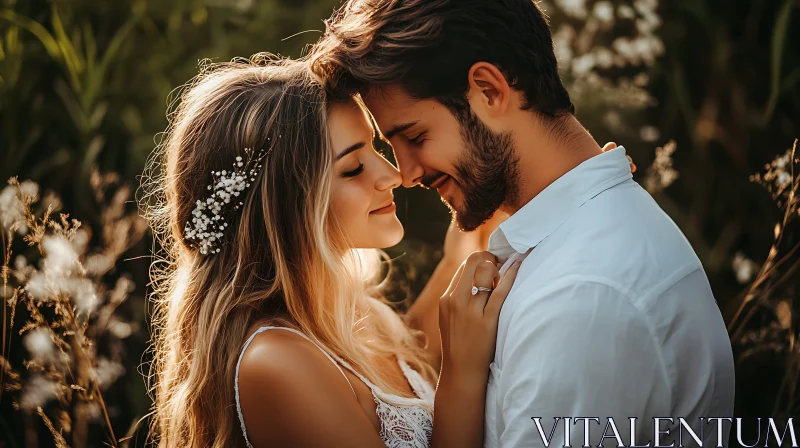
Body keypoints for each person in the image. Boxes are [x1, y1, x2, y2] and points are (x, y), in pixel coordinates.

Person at [309, 0, 736, 446]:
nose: (406, 174)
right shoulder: (575, 240)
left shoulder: (579, 296)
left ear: (489, 91)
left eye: (415, 137)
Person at [142, 55, 522, 448]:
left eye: (374, 150)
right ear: (286, 207)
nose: (392, 175)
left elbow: (409, 364)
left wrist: (458, 258)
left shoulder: (354, 315)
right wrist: (464, 373)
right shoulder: (277, 363)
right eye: (354, 168)